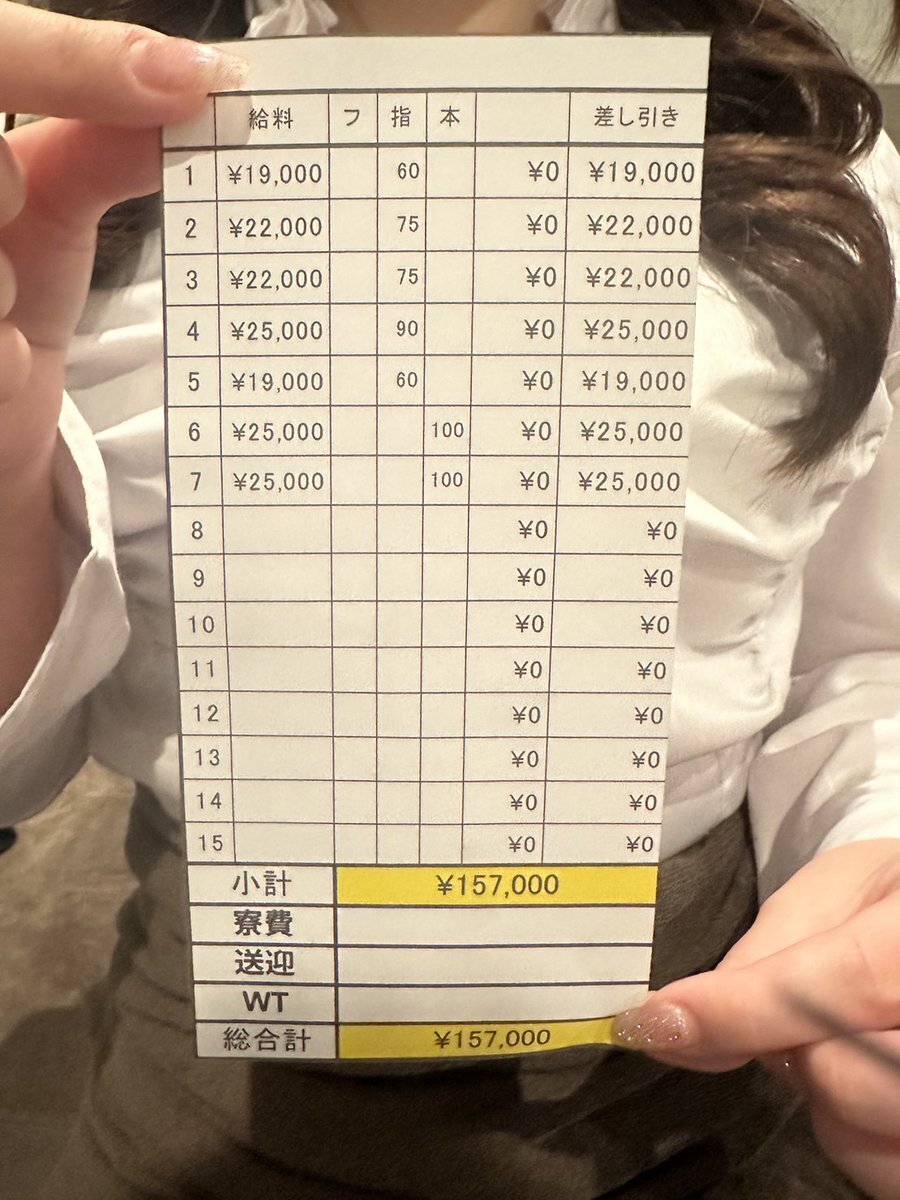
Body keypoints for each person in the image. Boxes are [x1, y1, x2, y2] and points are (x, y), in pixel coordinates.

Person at [1, 0, 900, 1195]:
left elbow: (859, 649)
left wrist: (874, 859)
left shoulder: (821, 157)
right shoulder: (60, 154)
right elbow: (19, 762)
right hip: (220, 1028)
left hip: (713, 1043)